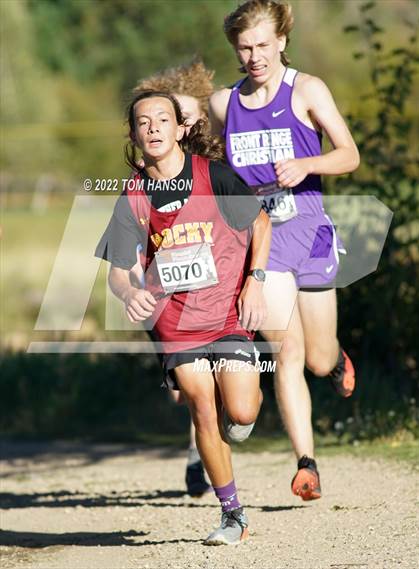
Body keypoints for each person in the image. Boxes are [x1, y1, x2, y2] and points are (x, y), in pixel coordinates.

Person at [96, 90, 271, 544]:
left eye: (162, 120)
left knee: (241, 410)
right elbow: (118, 272)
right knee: (200, 405)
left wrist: (255, 278)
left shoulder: (213, 176)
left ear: (180, 129)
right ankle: (234, 516)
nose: (152, 127)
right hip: (175, 321)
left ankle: (242, 416)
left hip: (228, 313)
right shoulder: (133, 195)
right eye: (142, 121)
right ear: (134, 134)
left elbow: (260, 223)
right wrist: (128, 292)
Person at [209, 0, 360, 501]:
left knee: (317, 357)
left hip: (311, 235)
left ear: (281, 42)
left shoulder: (308, 89)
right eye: (244, 47)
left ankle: (338, 362)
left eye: (261, 45)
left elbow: (350, 154)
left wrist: (306, 164)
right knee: (287, 350)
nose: (253, 56)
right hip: (263, 244)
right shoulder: (222, 104)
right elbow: (210, 166)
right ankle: (306, 464)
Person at [133, 59, 217, 498]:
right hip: (164, 290)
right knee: (182, 392)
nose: (171, 128)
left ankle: (202, 455)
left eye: (185, 119)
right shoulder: (145, 174)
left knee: (211, 382)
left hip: (213, 291)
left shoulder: (214, 167)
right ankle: (198, 443)